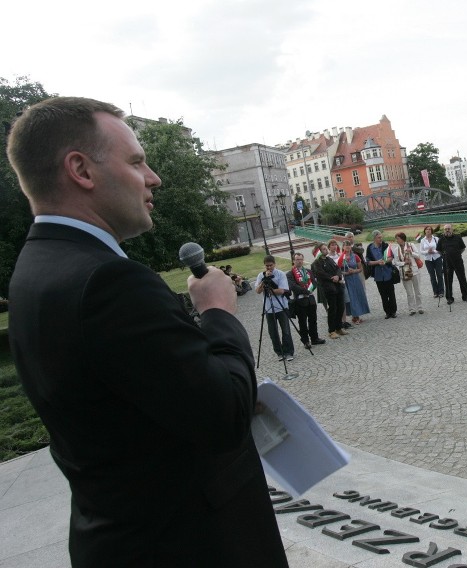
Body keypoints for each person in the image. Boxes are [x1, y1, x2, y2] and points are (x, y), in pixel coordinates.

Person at [6, 97, 287, 566]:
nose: (153, 177)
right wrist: (218, 313)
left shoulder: (34, 270)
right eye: (137, 161)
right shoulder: (110, 283)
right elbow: (223, 414)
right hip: (187, 543)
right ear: (81, 169)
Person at [255, 255, 295, 361]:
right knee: (273, 332)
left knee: (286, 331)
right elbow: (258, 291)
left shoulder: (280, 274)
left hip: (281, 307)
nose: (269, 268)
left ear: (274, 264)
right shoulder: (261, 275)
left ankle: (289, 352)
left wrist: (269, 291)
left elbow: (282, 290)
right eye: (267, 266)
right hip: (268, 308)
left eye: (270, 265)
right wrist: (264, 280)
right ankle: (279, 352)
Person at [287, 252, 326, 348]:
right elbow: (293, 286)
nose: (299, 261)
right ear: (293, 261)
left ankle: (314, 338)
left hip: (310, 299)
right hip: (300, 301)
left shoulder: (308, 271)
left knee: (313, 320)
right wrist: (304, 291)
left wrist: (309, 291)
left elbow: (314, 282)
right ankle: (305, 341)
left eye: (301, 259)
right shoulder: (290, 274)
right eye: (297, 259)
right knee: (302, 322)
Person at [312, 244, 348, 338]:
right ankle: (331, 330)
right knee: (332, 309)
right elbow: (320, 274)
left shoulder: (330, 259)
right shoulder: (317, 263)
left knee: (340, 307)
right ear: (319, 251)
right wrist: (332, 278)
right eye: (323, 249)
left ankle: (338, 327)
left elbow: (338, 268)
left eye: (325, 248)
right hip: (328, 288)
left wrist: (338, 276)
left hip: (337, 286)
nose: (326, 250)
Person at [364, 230, 398, 318]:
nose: (381, 239)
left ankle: (393, 311)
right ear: (374, 238)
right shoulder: (370, 248)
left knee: (391, 293)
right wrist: (377, 262)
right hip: (378, 275)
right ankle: (387, 312)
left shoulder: (385, 245)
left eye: (381, 237)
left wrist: (385, 261)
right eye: (379, 237)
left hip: (388, 272)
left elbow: (391, 257)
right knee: (383, 294)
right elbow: (368, 262)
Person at [436, 223, 467, 304]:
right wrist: (446, 255)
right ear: (444, 230)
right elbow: (439, 250)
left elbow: (463, 248)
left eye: (449, 228)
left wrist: (457, 254)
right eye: (445, 229)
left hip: (458, 261)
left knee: (462, 278)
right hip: (447, 262)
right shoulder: (441, 239)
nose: (447, 230)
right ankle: (449, 298)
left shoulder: (458, 237)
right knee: (448, 280)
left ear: (452, 229)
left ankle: (465, 295)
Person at [391, 232, 424, 315]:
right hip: (404, 271)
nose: (396, 240)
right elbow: (395, 262)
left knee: (417, 290)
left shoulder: (411, 245)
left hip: (414, 270)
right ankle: (412, 309)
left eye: (397, 238)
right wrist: (403, 263)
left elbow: (418, 256)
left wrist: (411, 252)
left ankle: (420, 307)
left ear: (402, 238)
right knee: (409, 292)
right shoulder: (396, 249)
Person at [339, 240, 370, 323]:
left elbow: (360, 268)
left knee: (357, 296)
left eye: (349, 245)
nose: (348, 247)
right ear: (343, 247)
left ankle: (357, 315)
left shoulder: (355, 256)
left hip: (355, 278)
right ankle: (355, 316)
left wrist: (354, 271)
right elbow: (338, 270)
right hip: (347, 280)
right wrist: (345, 273)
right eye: (346, 245)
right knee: (351, 297)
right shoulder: (341, 257)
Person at [420, 225, 445, 298]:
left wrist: (433, 251)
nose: (428, 230)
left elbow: (440, 248)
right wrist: (427, 251)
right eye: (427, 229)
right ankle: (435, 292)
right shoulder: (422, 240)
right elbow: (421, 251)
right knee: (432, 276)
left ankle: (441, 291)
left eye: (429, 229)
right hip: (428, 260)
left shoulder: (436, 239)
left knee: (439, 275)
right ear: (425, 231)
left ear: (431, 231)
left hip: (437, 258)